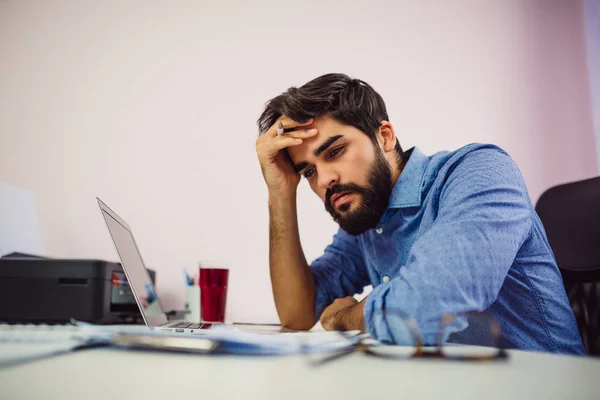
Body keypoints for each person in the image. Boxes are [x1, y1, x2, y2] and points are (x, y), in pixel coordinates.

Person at [255, 73, 584, 354]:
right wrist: (281, 193)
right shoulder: (367, 218)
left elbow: (429, 305)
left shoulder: (479, 171)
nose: (325, 179)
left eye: (336, 151)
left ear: (384, 137)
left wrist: (347, 317)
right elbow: (297, 314)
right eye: (308, 171)